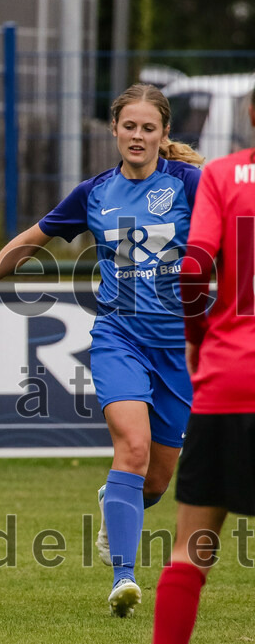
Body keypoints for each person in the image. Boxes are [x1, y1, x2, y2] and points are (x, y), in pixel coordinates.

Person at [0, 83, 203, 617]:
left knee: (156, 478)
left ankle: (115, 503)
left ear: (164, 134)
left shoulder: (191, 184)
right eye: (129, 125)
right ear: (114, 129)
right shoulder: (94, 193)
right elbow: (29, 242)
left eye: (148, 127)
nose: (137, 135)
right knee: (132, 448)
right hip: (119, 338)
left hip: (178, 348)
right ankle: (124, 579)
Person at [152, 87, 255, 643]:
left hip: (228, 380)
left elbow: (193, 271)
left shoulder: (222, 176)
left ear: (250, 115)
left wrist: (199, 339)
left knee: (191, 551)